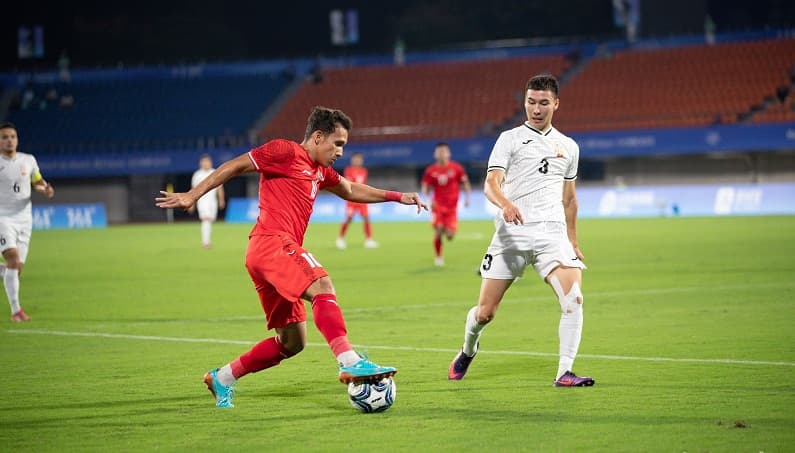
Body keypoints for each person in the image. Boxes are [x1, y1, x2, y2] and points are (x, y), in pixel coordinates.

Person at [156, 106, 427, 408]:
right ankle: (349, 360)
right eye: (337, 144)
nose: (340, 152)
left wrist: (397, 196)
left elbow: (350, 188)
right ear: (317, 136)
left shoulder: (319, 171)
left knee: (292, 343)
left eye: (343, 146)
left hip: (266, 255)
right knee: (322, 285)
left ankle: (223, 377)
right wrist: (193, 195)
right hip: (272, 243)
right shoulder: (284, 151)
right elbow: (235, 166)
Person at [447, 75, 595, 387]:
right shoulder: (510, 139)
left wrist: (574, 241)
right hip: (512, 234)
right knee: (486, 312)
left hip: (553, 234)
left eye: (543, 102)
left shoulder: (569, 147)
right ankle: (467, 350)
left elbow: (569, 199)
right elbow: (491, 184)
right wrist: (506, 205)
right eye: (531, 102)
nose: (536, 109)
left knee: (574, 300)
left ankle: (564, 373)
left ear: (555, 103)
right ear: (524, 103)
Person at [0, 123, 55, 322]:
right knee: (13, 260)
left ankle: (4, 271)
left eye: (12, 136)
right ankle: (16, 312)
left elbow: (37, 181)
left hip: (24, 219)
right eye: (5, 137)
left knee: (16, 268)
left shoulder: (28, 160)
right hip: (2, 218)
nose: (9, 140)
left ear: (17, 139)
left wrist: (45, 189)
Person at [421, 142, 471, 266]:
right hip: (437, 206)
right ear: (435, 154)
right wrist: (428, 199)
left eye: (444, 151)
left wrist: (467, 197)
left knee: (449, 236)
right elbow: (425, 188)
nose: (442, 154)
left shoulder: (456, 168)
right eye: (439, 152)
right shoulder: (431, 170)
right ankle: (438, 257)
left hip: (452, 207)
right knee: (438, 230)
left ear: (449, 153)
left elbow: (465, 183)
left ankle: (445, 227)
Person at [336, 152, 378, 249]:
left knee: (366, 218)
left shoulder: (364, 171)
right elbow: (349, 184)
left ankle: (369, 240)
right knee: (349, 218)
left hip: (362, 199)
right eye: (356, 159)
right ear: (352, 160)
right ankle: (340, 239)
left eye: (359, 159)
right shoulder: (348, 170)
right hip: (352, 199)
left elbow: (364, 185)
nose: (358, 161)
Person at [190, 154, 225, 249]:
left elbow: (219, 188)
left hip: (212, 201)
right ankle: (206, 242)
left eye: (208, 162)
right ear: (201, 163)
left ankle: (207, 240)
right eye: (204, 162)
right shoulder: (197, 175)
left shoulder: (214, 172)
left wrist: (221, 199)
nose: (206, 164)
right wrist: (191, 203)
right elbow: (193, 189)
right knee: (206, 219)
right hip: (202, 201)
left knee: (210, 220)